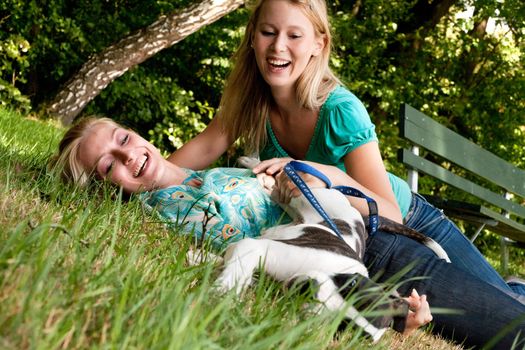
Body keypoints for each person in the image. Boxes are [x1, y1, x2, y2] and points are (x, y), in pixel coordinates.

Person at [53, 116, 525, 348]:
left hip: (376, 243)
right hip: (353, 267)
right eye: (106, 165)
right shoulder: (160, 214)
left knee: (513, 326)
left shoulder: (213, 174)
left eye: (121, 138)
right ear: (103, 185)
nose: (126, 154)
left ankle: (515, 290)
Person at [166, 0, 525, 302]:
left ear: (318, 45)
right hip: (351, 239)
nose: (278, 47)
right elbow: (195, 154)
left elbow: (391, 213)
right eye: (268, 32)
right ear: (252, 38)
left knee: (506, 306)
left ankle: (517, 286)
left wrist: (329, 177)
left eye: (294, 35)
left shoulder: (339, 111)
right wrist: (134, 180)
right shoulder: (250, 101)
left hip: (411, 221)